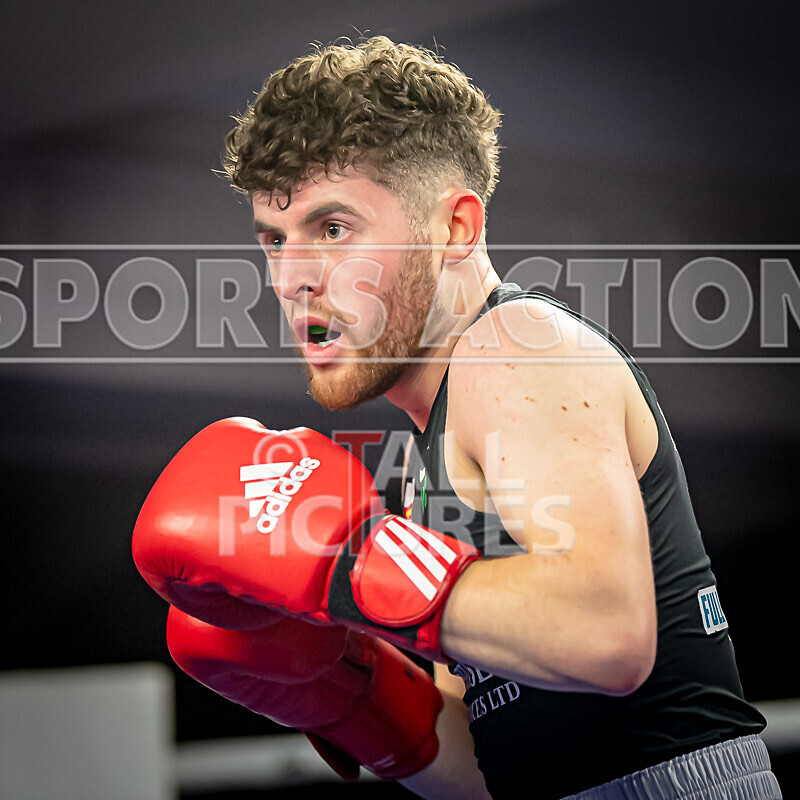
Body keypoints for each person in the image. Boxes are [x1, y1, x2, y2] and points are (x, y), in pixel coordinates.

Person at [132, 37, 782, 798]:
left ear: (455, 229)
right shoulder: (422, 471)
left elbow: (607, 638)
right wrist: (351, 697)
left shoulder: (513, 349)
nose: (291, 279)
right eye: (275, 240)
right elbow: (490, 771)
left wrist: (347, 570)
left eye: (332, 229)